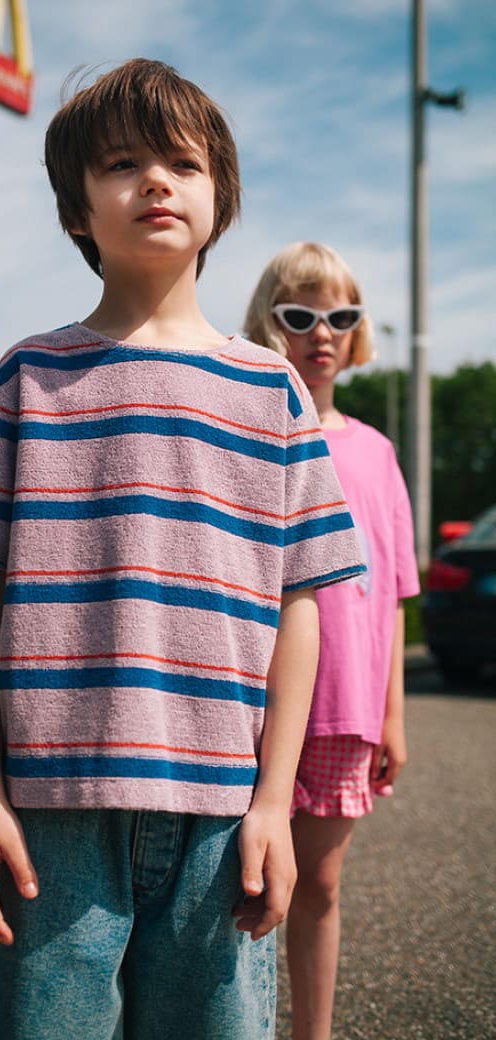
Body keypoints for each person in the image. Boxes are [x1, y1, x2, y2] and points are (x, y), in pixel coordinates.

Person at [0, 62, 365, 1040]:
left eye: (182, 162)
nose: (157, 182)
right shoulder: (27, 379)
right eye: (123, 163)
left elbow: (302, 605)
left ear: (220, 197)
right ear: (78, 209)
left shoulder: (273, 394)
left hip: (223, 816)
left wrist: (274, 804)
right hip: (49, 811)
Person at [243, 242, 421, 1040]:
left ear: (358, 331)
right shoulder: (248, 430)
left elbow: (396, 597)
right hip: (253, 700)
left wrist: (394, 715)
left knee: (318, 884)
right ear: (268, 323)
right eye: (300, 315)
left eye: (340, 316)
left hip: (347, 702)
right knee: (241, 883)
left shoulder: (378, 454)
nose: (322, 332)